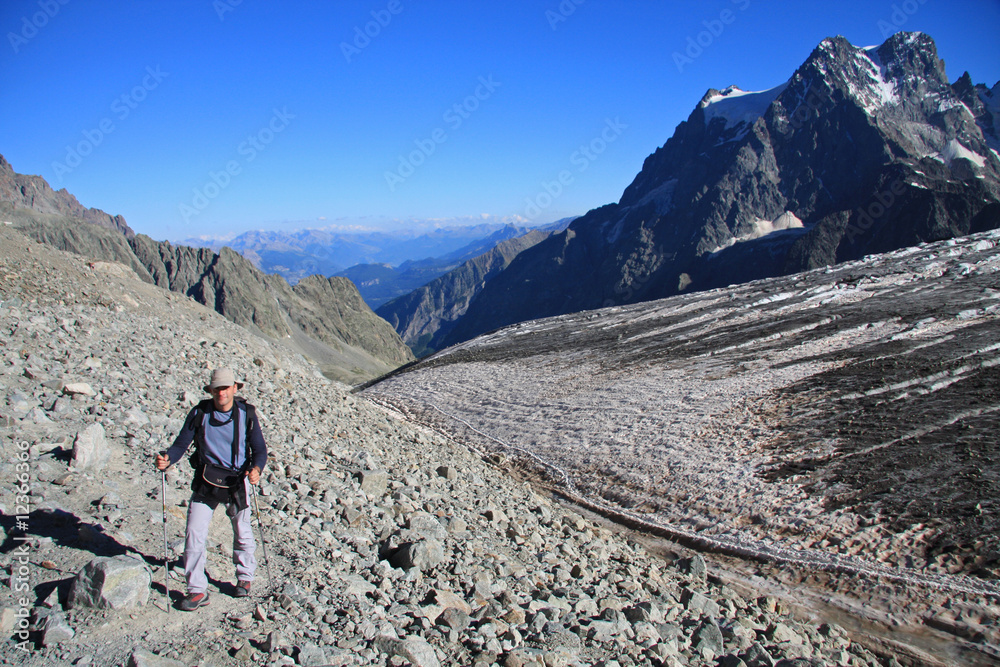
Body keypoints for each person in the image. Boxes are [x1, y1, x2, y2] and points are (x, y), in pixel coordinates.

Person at [155, 368, 268, 611]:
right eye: (217, 388)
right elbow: (180, 445)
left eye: (225, 388)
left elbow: (260, 449)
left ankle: (245, 577)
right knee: (194, 532)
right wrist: (168, 458)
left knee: (242, 530)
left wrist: (257, 468)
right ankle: (197, 590)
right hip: (207, 480)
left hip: (237, 480)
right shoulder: (199, 413)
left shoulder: (246, 414)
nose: (221, 393)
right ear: (211, 391)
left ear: (235, 389)